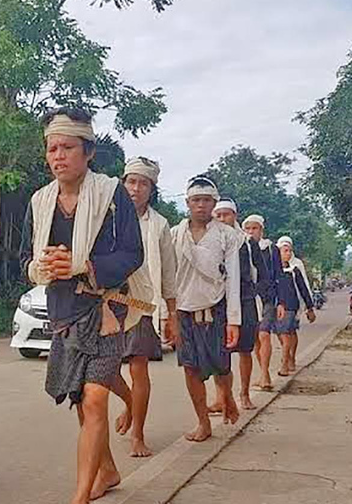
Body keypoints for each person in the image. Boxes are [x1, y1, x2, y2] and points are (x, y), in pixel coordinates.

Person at [20, 108, 150, 504]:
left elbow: (133, 253)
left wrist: (83, 265)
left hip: (106, 308)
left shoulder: (112, 195)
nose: (58, 156)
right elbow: (25, 258)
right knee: (82, 399)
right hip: (64, 311)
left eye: (67, 147)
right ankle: (107, 471)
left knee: (94, 398)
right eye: (52, 148)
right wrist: (42, 266)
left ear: (88, 152)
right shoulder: (40, 201)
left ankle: (80, 495)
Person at [116, 156, 178, 458]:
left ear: (151, 189)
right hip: (106, 303)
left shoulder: (159, 225)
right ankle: (129, 403)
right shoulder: (106, 214)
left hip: (141, 306)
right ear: (123, 182)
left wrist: (171, 315)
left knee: (138, 369)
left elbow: (168, 274)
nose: (135, 188)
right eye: (131, 181)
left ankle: (138, 434)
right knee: (102, 373)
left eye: (143, 183)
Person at [171, 176, 241, 442]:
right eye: (196, 200)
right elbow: (168, 276)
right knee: (190, 368)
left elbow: (233, 279)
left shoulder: (227, 236)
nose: (201, 205)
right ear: (188, 203)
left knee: (222, 366)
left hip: (216, 308)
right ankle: (203, 422)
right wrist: (167, 315)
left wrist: (234, 320)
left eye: (206, 200)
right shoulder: (175, 235)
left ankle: (227, 396)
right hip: (185, 310)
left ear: (213, 203)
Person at [211, 201, 270, 411]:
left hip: (245, 303)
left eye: (226, 214)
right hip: (218, 302)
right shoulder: (209, 241)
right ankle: (221, 398)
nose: (222, 219)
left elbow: (263, 275)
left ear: (234, 216)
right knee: (220, 352)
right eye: (217, 215)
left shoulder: (246, 242)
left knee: (245, 350)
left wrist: (257, 295)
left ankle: (244, 394)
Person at [241, 214, 280, 391]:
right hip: (250, 299)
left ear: (261, 230)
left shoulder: (270, 248)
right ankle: (263, 372)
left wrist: (282, 302)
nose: (251, 232)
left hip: (268, 298)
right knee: (256, 338)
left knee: (264, 334)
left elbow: (278, 274)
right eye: (247, 228)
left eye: (254, 228)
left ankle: (265, 375)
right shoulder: (242, 246)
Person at [274, 236, 316, 377]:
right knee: (284, 334)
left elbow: (303, 288)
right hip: (276, 306)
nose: (288, 253)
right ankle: (288, 357)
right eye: (284, 250)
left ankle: (285, 362)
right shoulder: (272, 270)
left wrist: (309, 308)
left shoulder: (295, 269)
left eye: (289, 251)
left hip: (291, 306)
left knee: (287, 334)